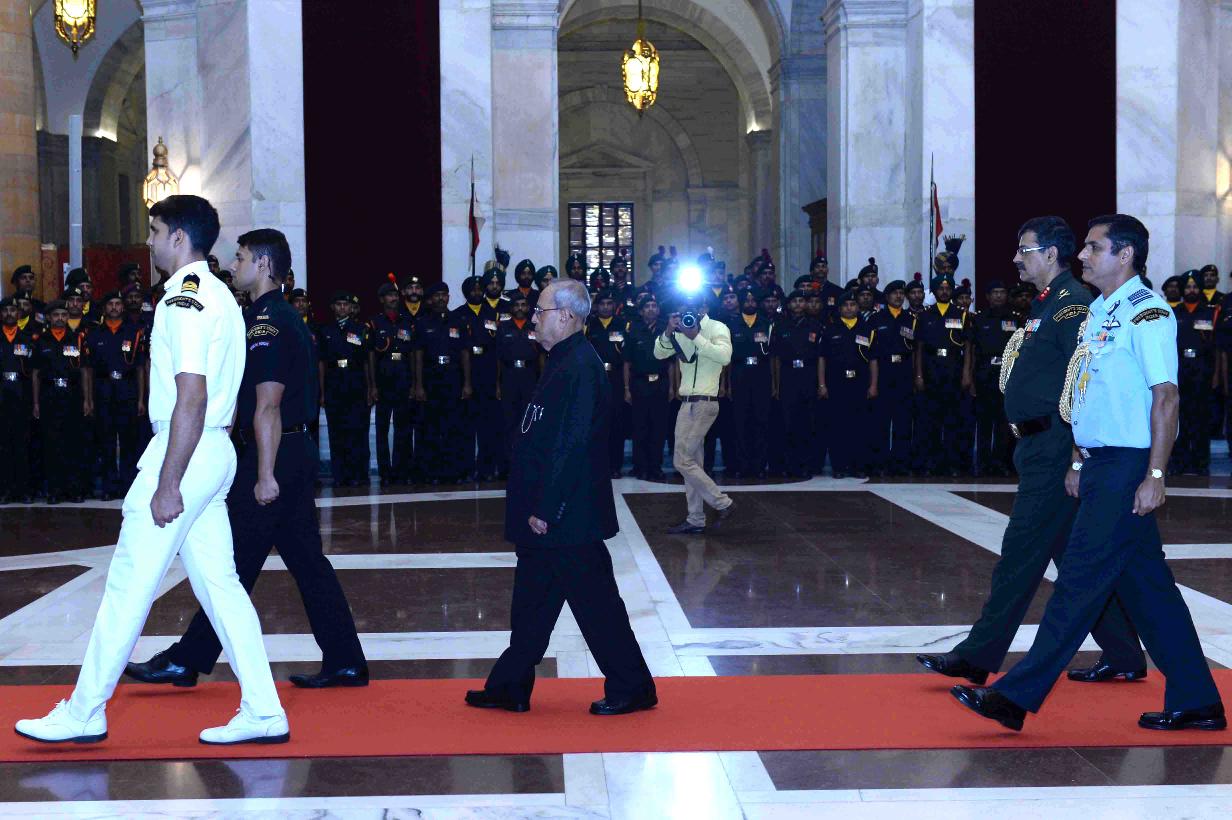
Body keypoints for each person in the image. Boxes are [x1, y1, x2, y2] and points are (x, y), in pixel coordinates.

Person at [16, 194, 288, 746]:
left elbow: (192, 393)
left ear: (179, 238)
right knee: (221, 588)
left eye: (156, 230)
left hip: (185, 452)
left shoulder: (183, 298)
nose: (149, 241)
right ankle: (263, 709)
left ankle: (84, 711)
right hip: (213, 449)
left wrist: (168, 482)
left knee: (128, 582)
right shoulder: (220, 294)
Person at [951, 213, 1225, 733]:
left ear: (1125, 255)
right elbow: (1084, 390)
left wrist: (1156, 474)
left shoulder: (1148, 314)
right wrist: (1078, 459)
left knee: (1077, 581)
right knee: (1149, 590)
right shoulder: (1100, 310)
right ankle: (1197, 700)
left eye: (1094, 248)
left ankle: (1014, 697)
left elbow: (1166, 397)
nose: (1082, 255)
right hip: (1100, 463)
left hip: (1127, 466)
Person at [125, 228, 368, 691]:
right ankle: (346, 660)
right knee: (303, 562)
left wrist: (264, 474)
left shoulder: (268, 323)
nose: (234, 266)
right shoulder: (264, 315)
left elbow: (268, 405)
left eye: (240, 258)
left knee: (234, 562)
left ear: (263, 265)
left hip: (275, 453)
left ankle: (187, 660)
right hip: (286, 450)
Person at [919, 215, 1143, 689]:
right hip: (1036, 445)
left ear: (1050, 254)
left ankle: (977, 655)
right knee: (1069, 552)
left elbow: (1083, 384)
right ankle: (1124, 652)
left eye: (1025, 250)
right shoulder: (1046, 303)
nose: (1016, 259)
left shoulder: (1072, 305)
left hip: (1056, 447)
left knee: (1020, 552)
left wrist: (1075, 457)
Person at [466, 279, 656, 715]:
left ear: (566, 316)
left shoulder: (581, 365)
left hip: (568, 515)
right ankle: (510, 685)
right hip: (548, 512)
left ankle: (633, 687)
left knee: (597, 606)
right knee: (532, 602)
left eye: (541, 310)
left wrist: (548, 507)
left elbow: (574, 444)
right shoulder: (561, 359)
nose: (534, 318)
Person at [656, 288, 735, 533]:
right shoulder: (680, 329)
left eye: (692, 309)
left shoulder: (718, 328)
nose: (687, 314)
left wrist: (696, 336)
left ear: (704, 308)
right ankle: (695, 519)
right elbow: (659, 353)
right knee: (692, 463)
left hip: (706, 403)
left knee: (682, 460)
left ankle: (723, 503)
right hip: (685, 403)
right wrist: (669, 331)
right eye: (682, 310)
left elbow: (724, 356)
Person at [86, 292, 147, 500]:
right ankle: (109, 487)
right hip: (103, 389)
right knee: (106, 441)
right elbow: (89, 370)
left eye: (117, 303)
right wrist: (89, 399)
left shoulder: (134, 332)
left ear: (123, 307)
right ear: (104, 308)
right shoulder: (94, 334)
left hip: (127, 390)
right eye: (110, 303)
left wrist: (141, 399)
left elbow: (140, 368)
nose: (114, 307)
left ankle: (128, 486)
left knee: (129, 441)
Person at [32, 301, 92, 503]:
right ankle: (54, 491)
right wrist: (36, 403)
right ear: (49, 318)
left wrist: (87, 399)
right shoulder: (41, 341)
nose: (60, 318)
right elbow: (35, 374)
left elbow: (84, 371)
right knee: (51, 444)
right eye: (56, 315)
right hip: (49, 395)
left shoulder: (77, 339)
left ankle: (74, 489)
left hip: (72, 395)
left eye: (63, 315)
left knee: (73, 442)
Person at [914, 273, 972, 476]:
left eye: (948, 289)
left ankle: (951, 464)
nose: (944, 292)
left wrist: (966, 373)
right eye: (941, 288)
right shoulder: (925, 315)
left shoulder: (961, 314)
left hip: (953, 369)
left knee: (952, 419)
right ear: (934, 291)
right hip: (931, 369)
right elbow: (919, 348)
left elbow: (967, 347)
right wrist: (919, 375)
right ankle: (931, 463)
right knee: (930, 419)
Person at [414, 282, 473, 483]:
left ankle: (453, 472)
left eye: (444, 294)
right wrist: (418, 385)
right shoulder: (422, 323)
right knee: (431, 427)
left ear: (449, 297)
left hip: (453, 377)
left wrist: (467, 383)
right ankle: (432, 473)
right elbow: (418, 355)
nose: (441, 298)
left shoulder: (458, 320)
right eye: (437, 295)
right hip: (431, 378)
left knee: (453, 426)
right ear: (430, 299)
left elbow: (465, 353)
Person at [317, 291, 374, 486]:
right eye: (339, 304)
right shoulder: (325, 330)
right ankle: (340, 476)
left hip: (356, 383)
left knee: (358, 431)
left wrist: (370, 387)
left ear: (351, 308)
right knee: (337, 432)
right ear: (333, 307)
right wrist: (322, 392)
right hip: (334, 384)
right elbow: (322, 363)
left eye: (346, 304)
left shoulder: (361, 329)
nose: (342, 308)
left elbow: (366, 361)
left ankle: (360, 474)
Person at [820, 291, 878, 478]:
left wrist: (873, 385)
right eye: (845, 305)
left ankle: (858, 466)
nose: (849, 308)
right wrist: (822, 384)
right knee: (837, 425)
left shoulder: (867, 329)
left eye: (853, 304)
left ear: (858, 307)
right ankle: (839, 466)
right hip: (836, 383)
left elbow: (873, 360)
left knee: (860, 426)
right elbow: (822, 358)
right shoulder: (830, 329)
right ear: (839, 309)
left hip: (860, 383)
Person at [967, 281, 1019, 476]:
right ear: (988, 296)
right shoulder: (979, 319)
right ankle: (982, 463)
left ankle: (999, 463)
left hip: (1007, 374)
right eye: (994, 292)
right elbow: (972, 350)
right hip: (984, 373)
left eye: (1002, 292)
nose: (998, 296)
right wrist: (970, 377)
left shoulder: (1015, 319)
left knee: (1003, 422)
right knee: (984, 421)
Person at [369, 280, 417, 486]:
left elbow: (413, 354)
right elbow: (371, 356)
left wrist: (415, 383)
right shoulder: (375, 323)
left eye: (396, 295)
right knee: (381, 429)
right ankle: (385, 472)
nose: (394, 298)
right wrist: (372, 386)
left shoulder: (407, 321)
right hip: (384, 380)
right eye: (390, 295)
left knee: (402, 428)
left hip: (403, 379)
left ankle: (400, 469)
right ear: (382, 299)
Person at [771, 289, 823, 479]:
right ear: (788, 304)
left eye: (802, 301)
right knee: (788, 421)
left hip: (808, 375)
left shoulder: (815, 325)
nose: (798, 304)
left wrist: (821, 384)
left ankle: (807, 464)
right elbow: (775, 358)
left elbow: (820, 357)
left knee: (808, 421)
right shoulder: (780, 326)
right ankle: (790, 464)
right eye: (794, 301)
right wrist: (776, 385)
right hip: (788, 375)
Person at [1170, 272, 1217, 476]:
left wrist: (1214, 375)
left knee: (1200, 418)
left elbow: (1215, 346)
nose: (1191, 290)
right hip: (1179, 370)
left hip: (1201, 371)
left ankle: (1200, 463)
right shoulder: (1174, 312)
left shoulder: (1209, 311)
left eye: (1195, 286)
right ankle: (1179, 462)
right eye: (1188, 287)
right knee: (1179, 418)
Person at [867, 280, 916, 475]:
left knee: (903, 421)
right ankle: (879, 463)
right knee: (880, 421)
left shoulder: (910, 319)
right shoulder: (876, 319)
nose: (898, 296)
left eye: (901, 293)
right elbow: (871, 353)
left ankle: (900, 463)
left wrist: (915, 376)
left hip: (904, 373)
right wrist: (873, 384)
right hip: (883, 373)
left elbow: (915, 351)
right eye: (894, 293)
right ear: (887, 297)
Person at [727, 287, 775, 478]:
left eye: (753, 300)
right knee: (740, 421)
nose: (750, 303)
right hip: (739, 375)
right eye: (746, 300)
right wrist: (726, 385)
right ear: (741, 303)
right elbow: (727, 359)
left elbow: (773, 357)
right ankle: (742, 465)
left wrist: (774, 384)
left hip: (761, 375)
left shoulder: (766, 324)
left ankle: (759, 465)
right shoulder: (732, 325)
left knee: (761, 421)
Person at [623, 293, 672, 480]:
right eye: (647, 306)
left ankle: (655, 467)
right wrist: (626, 389)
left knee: (659, 428)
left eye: (654, 306)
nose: (651, 309)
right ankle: (640, 466)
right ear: (641, 311)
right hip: (640, 383)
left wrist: (672, 387)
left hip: (661, 383)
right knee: (640, 427)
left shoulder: (666, 330)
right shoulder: (633, 331)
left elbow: (672, 363)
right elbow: (627, 363)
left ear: (658, 310)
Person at [586, 290, 630, 478]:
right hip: (595, 378)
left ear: (614, 306)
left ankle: (615, 466)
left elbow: (627, 355)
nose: (605, 307)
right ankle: (597, 466)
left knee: (617, 422)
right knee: (596, 423)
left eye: (609, 303)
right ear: (596, 306)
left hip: (616, 378)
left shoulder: (622, 325)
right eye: (602, 303)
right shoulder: (589, 325)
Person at [495, 292, 542, 467]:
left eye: (523, 305)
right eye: (516, 305)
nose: (520, 308)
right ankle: (508, 465)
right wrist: (497, 384)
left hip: (529, 377)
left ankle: (527, 464)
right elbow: (498, 358)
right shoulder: (503, 327)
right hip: (509, 377)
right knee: (509, 421)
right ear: (511, 308)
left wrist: (541, 382)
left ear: (528, 307)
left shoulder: (535, 327)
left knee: (528, 421)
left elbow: (542, 357)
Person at [0, 297, 36, 502]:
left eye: (13, 310)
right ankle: (5, 490)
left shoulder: (27, 338)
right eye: (5, 310)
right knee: (3, 445)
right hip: (2, 396)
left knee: (23, 444)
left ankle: (24, 490)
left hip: (21, 395)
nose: (9, 314)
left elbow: (34, 371)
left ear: (19, 313)